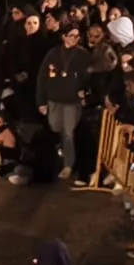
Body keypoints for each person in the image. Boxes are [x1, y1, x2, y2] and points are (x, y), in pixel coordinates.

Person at [38, 22, 89, 177]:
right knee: (55, 128)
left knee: (68, 133)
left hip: (71, 101)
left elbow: (87, 77)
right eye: (71, 35)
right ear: (63, 37)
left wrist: (84, 92)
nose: (74, 39)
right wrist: (41, 101)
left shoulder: (82, 54)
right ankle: (59, 156)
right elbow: (42, 78)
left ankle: (68, 164)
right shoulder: (53, 53)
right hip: (54, 99)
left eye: (76, 36)